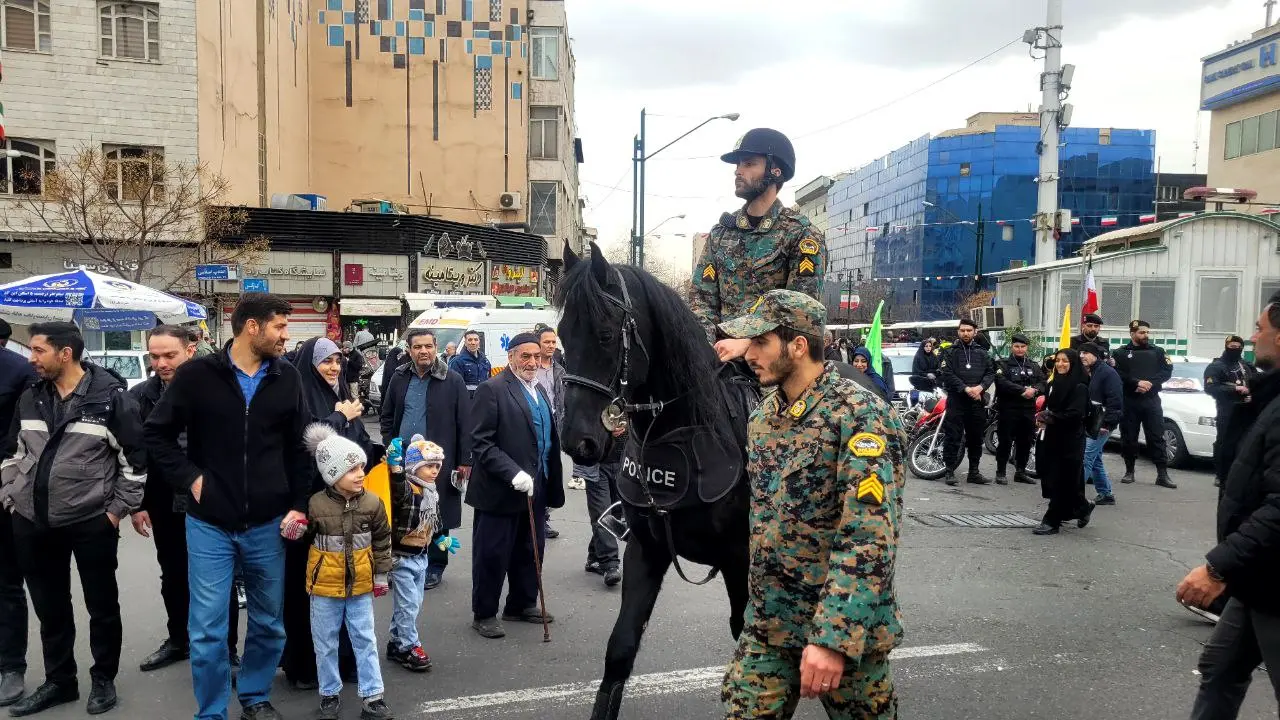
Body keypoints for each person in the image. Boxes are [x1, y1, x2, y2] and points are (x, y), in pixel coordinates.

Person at [715, 290, 905, 718]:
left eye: (760, 342)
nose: (749, 354)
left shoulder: (859, 416)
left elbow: (869, 539)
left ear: (798, 346)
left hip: (844, 629)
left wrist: (833, 640)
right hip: (770, 622)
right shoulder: (764, 417)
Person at [144, 293, 312, 720]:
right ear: (251, 327)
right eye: (279, 326)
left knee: (269, 622)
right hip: (209, 525)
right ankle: (213, 711)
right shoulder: (197, 375)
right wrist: (190, 478)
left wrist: (297, 505)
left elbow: (300, 447)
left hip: (269, 523)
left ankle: (254, 696)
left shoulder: (287, 377)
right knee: (206, 631)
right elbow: (156, 436)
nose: (285, 335)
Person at [0, 321, 146, 716]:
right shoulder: (30, 396)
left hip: (91, 522)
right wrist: (10, 494)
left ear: (65, 353)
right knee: (50, 609)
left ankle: (103, 680)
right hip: (32, 521)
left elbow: (135, 460)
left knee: (102, 607)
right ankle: (60, 682)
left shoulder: (109, 398)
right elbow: (13, 451)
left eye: (37, 350)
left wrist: (116, 511)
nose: (30, 358)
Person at [1178, 297, 1280, 718]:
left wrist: (1218, 566)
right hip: (1256, 576)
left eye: (1260, 328)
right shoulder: (1268, 395)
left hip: (1273, 580)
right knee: (1219, 670)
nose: (1252, 337)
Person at [131, 327, 243, 676]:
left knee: (218, 577)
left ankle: (226, 649)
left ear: (190, 350)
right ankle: (179, 639)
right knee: (173, 572)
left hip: (210, 494)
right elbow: (138, 454)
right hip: (165, 497)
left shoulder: (216, 388)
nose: (161, 363)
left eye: (169, 355)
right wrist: (138, 504)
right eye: (154, 356)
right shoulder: (141, 396)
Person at [690, 128, 826, 362]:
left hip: (776, 367)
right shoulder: (721, 234)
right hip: (720, 359)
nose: (738, 171)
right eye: (738, 165)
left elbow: (801, 312)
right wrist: (704, 349)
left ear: (775, 171)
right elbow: (701, 301)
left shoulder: (802, 235)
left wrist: (749, 344)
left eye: (749, 164)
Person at [280, 337, 368, 690]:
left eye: (337, 360)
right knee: (310, 588)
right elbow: (305, 444)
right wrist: (339, 417)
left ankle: (344, 660)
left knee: (344, 585)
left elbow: (358, 445)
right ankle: (304, 663)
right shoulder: (298, 397)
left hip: (345, 509)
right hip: (309, 510)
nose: (334, 367)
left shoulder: (339, 396)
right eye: (325, 361)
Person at [465, 333, 563, 639]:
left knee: (530, 549)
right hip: (500, 490)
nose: (532, 362)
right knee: (492, 554)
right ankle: (484, 612)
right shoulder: (491, 389)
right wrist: (512, 473)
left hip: (538, 487)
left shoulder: (541, 391)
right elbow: (481, 443)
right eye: (525, 356)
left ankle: (521, 604)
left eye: (536, 356)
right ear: (511, 357)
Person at [300, 423, 393, 720]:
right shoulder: (314, 504)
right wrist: (296, 531)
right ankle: (329, 693)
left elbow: (382, 541)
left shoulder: (373, 503)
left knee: (365, 639)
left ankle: (373, 697)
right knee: (324, 642)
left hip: (361, 586)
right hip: (324, 589)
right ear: (333, 475)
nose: (361, 474)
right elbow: (305, 539)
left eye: (361, 468)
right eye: (352, 470)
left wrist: (381, 575)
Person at [380, 329, 470, 591]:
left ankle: (436, 564)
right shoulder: (399, 378)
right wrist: (390, 443)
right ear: (409, 350)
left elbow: (465, 423)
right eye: (417, 347)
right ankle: (404, 560)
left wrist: (465, 460)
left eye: (428, 346)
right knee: (405, 510)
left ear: (435, 348)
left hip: (438, 460)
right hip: (404, 460)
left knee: (436, 510)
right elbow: (387, 416)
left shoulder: (452, 380)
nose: (423, 351)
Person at [383, 436, 445, 673]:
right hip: (402, 558)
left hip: (421, 556)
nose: (435, 471)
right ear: (414, 467)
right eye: (430, 466)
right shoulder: (408, 487)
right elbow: (398, 485)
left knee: (412, 604)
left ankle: (396, 642)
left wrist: (440, 537)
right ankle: (410, 646)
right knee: (408, 605)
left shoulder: (431, 491)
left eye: (438, 466)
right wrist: (395, 465)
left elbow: (431, 520)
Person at [0, 318, 35, 707]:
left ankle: (11, 665)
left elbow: (22, 438)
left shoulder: (17, 371)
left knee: (6, 583)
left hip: (2, 490)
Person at [1032, 349, 1095, 536]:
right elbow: (1049, 406)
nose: (1060, 364)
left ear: (1073, 363)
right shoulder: (1055, 382)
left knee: (1061, 479)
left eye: (1065, 361)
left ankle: (1052, 521)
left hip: (1070, 440)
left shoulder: (1079, 386)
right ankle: (1083, 506)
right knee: (1051, 476)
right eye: (1058, 360)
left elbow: (1075, 414)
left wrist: (1051, 418)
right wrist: (1042, 416)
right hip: (1051, 436)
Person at [1113, 319, 1175, 489]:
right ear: (1132, 334)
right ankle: (1129, 471)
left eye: (1147, 332)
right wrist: (1136, 383)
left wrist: (1149, 383)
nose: (1145, 335)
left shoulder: (1158, 352)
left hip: (1151, 399)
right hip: (1130, 400)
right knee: (1129, 437)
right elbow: (1117, 373)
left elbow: (1167, 371)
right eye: (1141, 332)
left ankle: (1162, 474)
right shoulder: (1119, 353)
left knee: (1157, 436)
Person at [938, 318, 995, 486]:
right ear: (958, 331)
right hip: (957, 400)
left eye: (969, 330)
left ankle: (974, 472)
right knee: (953, 437)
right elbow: (947, 373)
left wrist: (980, 388)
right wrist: (965, 388)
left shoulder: (983, 353)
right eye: (962, 330)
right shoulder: (950, 352)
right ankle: (949, 471)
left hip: (976, 401)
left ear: (975, 332)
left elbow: (990, 373)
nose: (965, 333)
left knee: (975, 438)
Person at [993, 333, 1046, 485]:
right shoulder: (1002, 364)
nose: (1020, 349)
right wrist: (1022, 390)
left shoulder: (1033, 365)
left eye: (1023, 346)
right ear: (1012, 347)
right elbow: (1001, 382)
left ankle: (1020, 472)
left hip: (1028, 410)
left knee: (1026, 441)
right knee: (1005, 441)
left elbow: (1043, 382)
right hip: (1008, 409)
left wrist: (1034, 390)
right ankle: (1001, 472)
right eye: (1017, 346)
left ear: (1027, 347)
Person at [1204, 335, 1256, 487]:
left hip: (1247, 409)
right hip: (1228, 410)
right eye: (1232, 347)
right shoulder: (1216, 366)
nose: (1235, 350)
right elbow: (1211, 388)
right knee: (1224, 443)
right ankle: (1221, 475)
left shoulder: (1245, 365)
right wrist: (1234, 388)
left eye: (1238, 347)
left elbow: (1257, 380)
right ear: (1226, 347)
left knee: (1246, 443)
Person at [1080, 344, 1123, 506]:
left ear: (1096, 356)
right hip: (1092, 423)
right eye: (1081, 353)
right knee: (1095, 458)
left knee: (1085, 458)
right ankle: (1105, 493)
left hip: (1102, 424)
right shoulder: (1091, 372)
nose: (1083, 356)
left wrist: (1108, 423)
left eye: (1087, 353)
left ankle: (1073, 496)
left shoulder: (1107, 373)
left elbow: (1115, 400)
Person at [533, 325, 564, 540]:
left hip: (553, 426)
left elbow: (562, 400)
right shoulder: (530, 367)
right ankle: (533, 518)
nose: (551, 346)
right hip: (533, 425)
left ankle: (542, 518)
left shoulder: (559, 370)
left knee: (549, 472)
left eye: (554, 342)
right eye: (547, 342)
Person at [449, 330, 492, 397]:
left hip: (483, 400)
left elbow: (489, 381)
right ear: (465, 343)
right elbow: (454, 387)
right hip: (468, 402)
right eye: (470, 340)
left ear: (479, 342)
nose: (473, 343)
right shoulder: (458, 362)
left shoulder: (485, 361)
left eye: (476, 340)